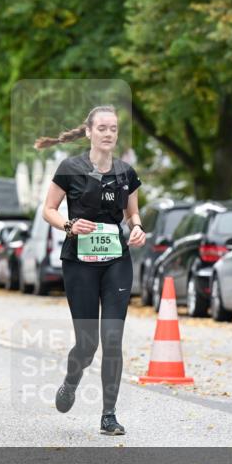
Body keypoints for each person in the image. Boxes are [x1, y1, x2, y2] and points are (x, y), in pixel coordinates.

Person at [36, 105, 146, 436]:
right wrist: (69, 225)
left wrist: (138, 228)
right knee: (87, 344)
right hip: (79, 263)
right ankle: (72, 380)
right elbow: (48, 210)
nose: (108, 133)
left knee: (112, 338)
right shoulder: (70, 168)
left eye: (113, 128)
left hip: (115, 262)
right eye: (102, 128)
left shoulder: (126, 173)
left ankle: (108, 415)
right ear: (88, 132)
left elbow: (133, 214)